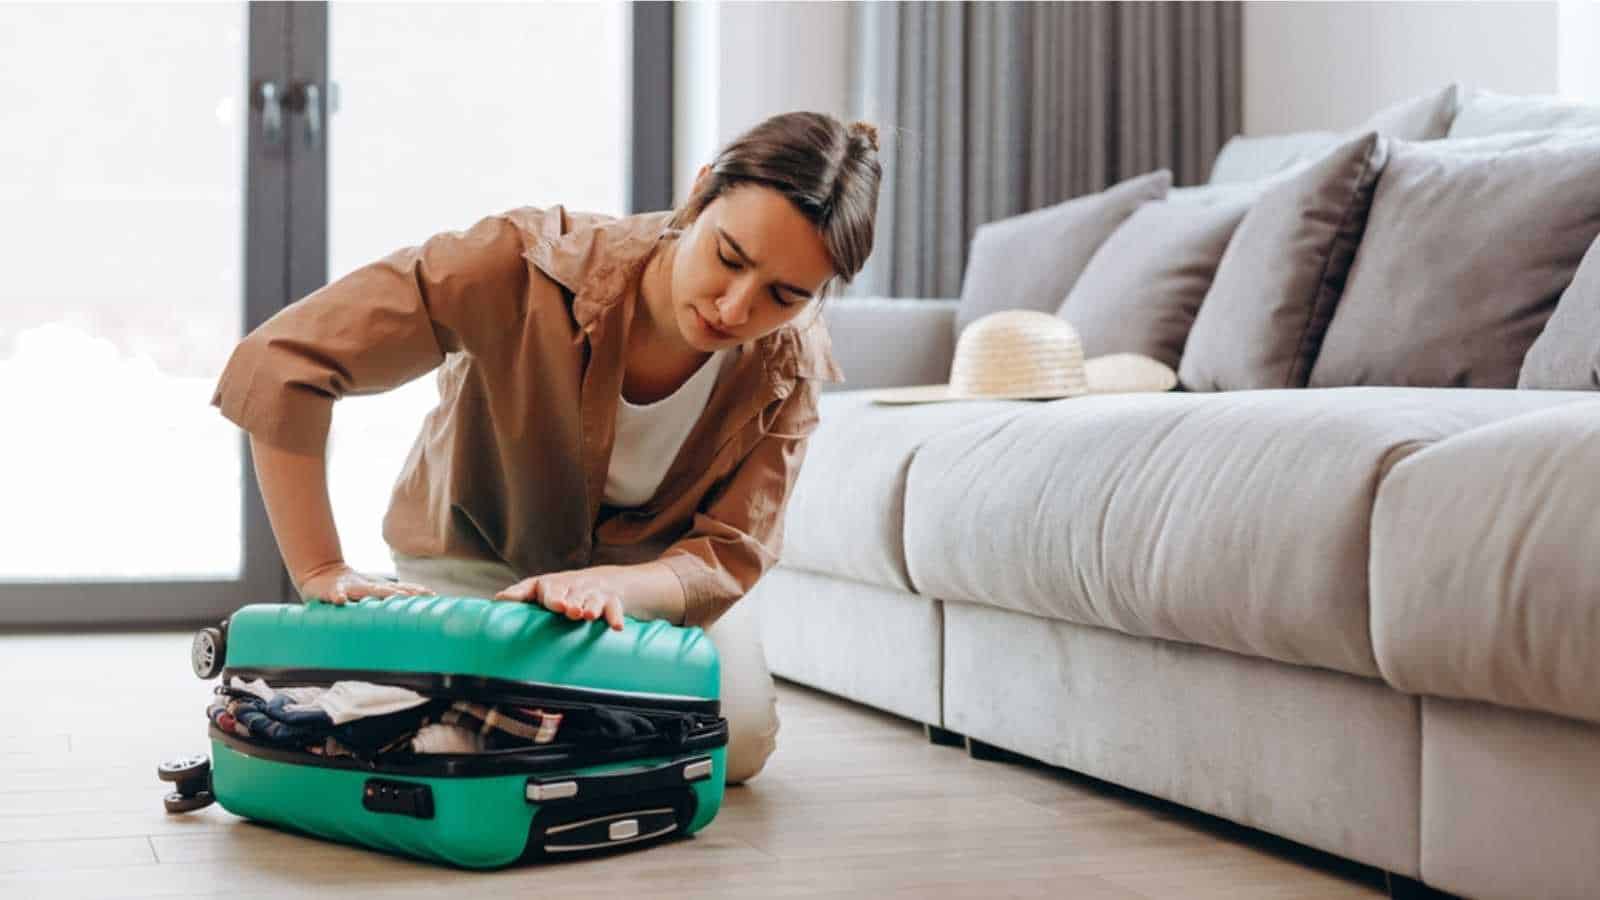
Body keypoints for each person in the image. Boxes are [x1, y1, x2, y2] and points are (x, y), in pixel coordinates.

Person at [210, 111, 883, 784]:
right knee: (522, 717)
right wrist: (320, 567)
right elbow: (284, 363)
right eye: (728, 258)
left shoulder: (789, 362)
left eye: (784, 295)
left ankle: (499, 706)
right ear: (700, 192)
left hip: (635, 587)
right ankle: (498, 701)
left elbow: (730, 550)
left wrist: (611, 584)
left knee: (738, 744)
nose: (735, 309)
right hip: (478, 556)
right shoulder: (525, 263)